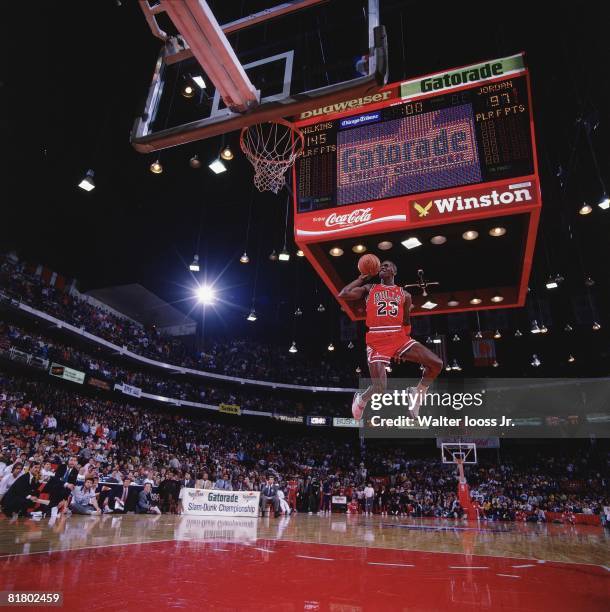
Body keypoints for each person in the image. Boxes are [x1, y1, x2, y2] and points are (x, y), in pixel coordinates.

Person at [339, 260, 443, 420]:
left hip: (398, 336)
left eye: (387, 265)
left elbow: (406, 321)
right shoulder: (370, 288)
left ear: (394, 271)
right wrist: (361, 278)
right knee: (380, 387)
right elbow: (344, 294)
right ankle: (361, 400)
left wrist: (403, 346)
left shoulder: (405, 295)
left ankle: (417, 395)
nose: (383, 267)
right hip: (377, 338)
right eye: (381, 265)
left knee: (437, 364)